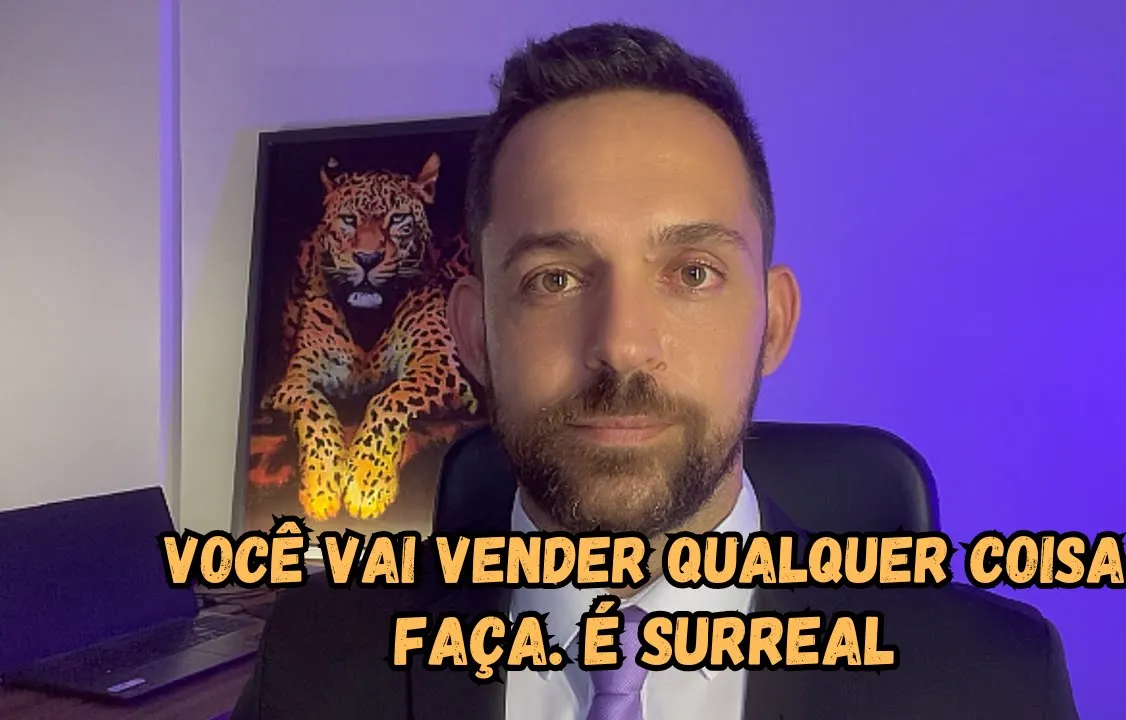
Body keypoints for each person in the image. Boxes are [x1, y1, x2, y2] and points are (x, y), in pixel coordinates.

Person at [231, 22, 1079, 720]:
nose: (624, 344)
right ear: (475, 335)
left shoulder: (994, 680)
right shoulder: (313, 660)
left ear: (773, 324)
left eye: (693, 273)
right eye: (554, 279)